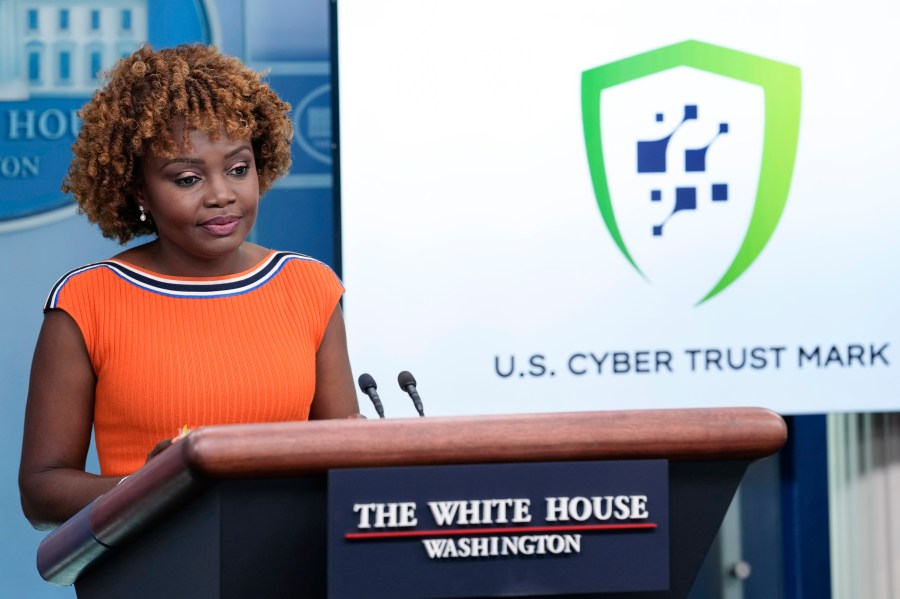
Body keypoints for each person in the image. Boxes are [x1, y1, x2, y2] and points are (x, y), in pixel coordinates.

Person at [18, 44, 361, 530]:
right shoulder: (86, 301)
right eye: (187, 179)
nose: (221, 194)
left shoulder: (309, 286)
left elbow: (342, 454)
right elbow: (41, 490)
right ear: (139, 190)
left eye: (239, 169)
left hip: (291, 559)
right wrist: (151, 484)